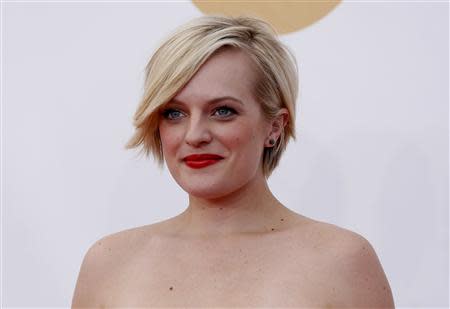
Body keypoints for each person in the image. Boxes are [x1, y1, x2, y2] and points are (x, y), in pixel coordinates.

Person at [72, 15, 394, 308]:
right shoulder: (109, 264)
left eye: (223, 110)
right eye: (174, 113)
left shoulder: (343, 262)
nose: (194, 134)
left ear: (275, 126)